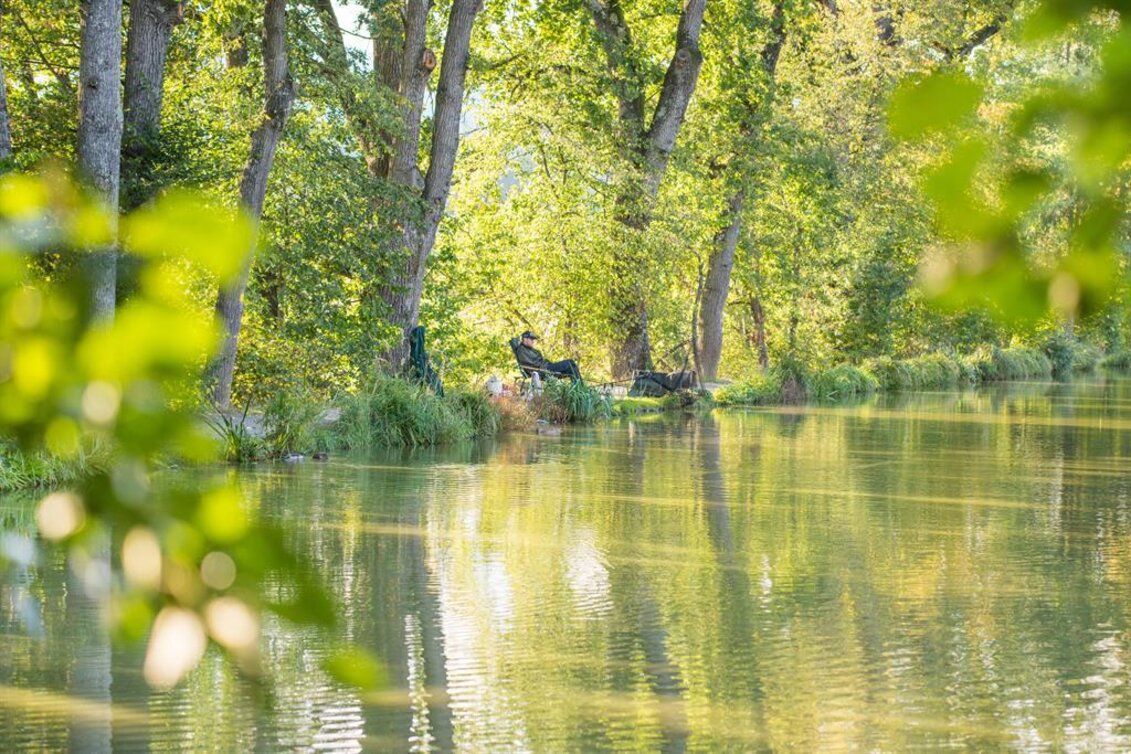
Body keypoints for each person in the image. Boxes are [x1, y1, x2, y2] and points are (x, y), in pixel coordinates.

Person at [513, 331, 583, 383]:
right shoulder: (521, 350)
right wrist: (543, 365)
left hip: (546, 367)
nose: (533, 341)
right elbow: (533, 364)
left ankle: (579, 390)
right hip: (544, 370)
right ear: (525, 339)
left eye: (533, 340)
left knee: (572, 369)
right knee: (570, 362)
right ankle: (580, 388)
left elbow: (537, 360)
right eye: (531, 339)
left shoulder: (529, 349)